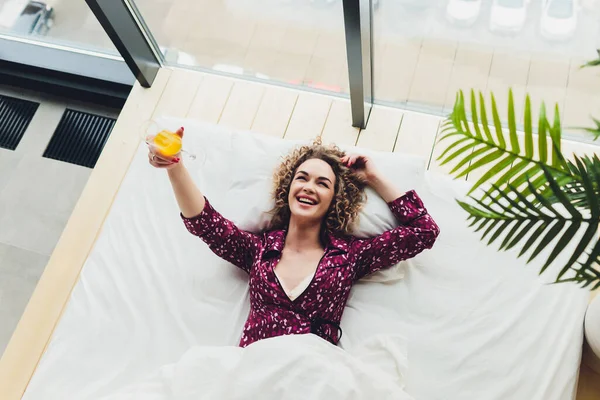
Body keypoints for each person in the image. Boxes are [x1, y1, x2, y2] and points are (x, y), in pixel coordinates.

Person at [148, 127, 440, 347]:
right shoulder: (257, 250)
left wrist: (374, 178)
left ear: (335, 199)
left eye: (322, 183)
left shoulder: (350, 256)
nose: (309, 187)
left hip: (312, 376)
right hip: (253, 372)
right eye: (302, 178)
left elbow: (423, 231)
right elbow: (204, 223)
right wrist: (175, 167)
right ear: (288, 188)